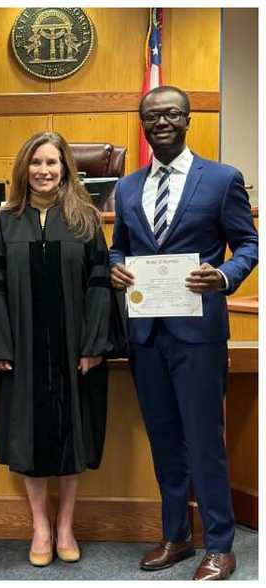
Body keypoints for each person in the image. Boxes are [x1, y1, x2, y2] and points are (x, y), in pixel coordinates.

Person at [109, 86, 257, 581]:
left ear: (188, 119)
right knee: (165, 439)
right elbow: (119, 248)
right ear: (143, 124)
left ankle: (219, 544)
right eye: (152, 116)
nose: (162, 121)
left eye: (171, 113)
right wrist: (116, 268)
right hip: (147, 334)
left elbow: (248, 244)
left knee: (204, 439)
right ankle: (176, 536)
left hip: (198, 334)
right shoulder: (127, 188)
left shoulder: (220, 179)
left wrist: (225, 276)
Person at [0, 131, 114, 567]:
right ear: (23, 170)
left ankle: (66, 525)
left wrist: (93, 344)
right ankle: (39, 527)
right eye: (36, 163)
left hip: (74, 349)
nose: (44, 171)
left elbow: (100, 285)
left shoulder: (86, 219)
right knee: (29, 441)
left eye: (52, 163)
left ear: (66, 168)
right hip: (23, 351)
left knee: (72, 436)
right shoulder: (6, 221)